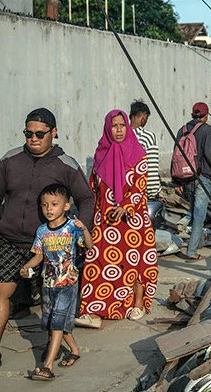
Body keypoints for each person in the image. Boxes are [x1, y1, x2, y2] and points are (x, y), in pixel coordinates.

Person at [0, 108, 94, 370]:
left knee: (51, 298)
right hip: (9, 240)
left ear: (53, 133)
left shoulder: (66, 165)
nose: (33, 138)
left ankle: (53, 349)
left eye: (40, 134)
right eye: (28, 133)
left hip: (50, 244)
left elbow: (86, 199)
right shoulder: (10, 160)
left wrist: (78, 230)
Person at [76, 110, 157, 327]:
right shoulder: (100, 155)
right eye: (114, 126)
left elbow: (140, 186)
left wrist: (126, 206)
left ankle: (137, 304)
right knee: (97, 262)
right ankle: (94, 312)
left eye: (122, 125)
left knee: (134, 262)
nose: (119, 130)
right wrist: (90, 219)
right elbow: (94, 190)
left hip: (132, 220)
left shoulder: (138, 154)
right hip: (105, 220)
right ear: (107, 128)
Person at [19, 184, 94, 380]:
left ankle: (48, 366)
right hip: (48, 284)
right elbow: (38, 256)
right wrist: (26, 266)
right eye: (44, 205)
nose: (49, 209)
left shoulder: (72, 227)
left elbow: (89, 245)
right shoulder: (42, 231)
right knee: (53, 321)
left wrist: (84, 229)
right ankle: (74, 351)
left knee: (57, 323)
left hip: (67, 283)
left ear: (66, 206)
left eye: (54, 204)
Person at [172, 102, 211, 262]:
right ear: (206, 116)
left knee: (195, 212)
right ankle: (191, 252)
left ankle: (198, 242)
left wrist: (176, 181)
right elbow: (210, 154)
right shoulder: (207, 130)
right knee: (199, 215)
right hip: (202, 177)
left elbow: (175, 155)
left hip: (186, 178)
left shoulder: (182, 130)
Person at [130, 100, 160, 201]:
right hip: (140, 194)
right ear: (144, 117)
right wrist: (153, 193)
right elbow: (151, 169)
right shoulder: (147, 137)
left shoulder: (119, 136)